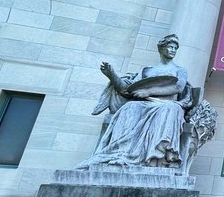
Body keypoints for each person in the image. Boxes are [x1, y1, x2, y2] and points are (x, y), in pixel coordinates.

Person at [77, 34, 195, 170]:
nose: (173, 50)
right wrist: (112, 75)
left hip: (167, 104)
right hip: (146, 103)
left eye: (175, 48)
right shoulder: (148, 70)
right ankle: (120, 152)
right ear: (161, 49)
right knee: (130, 107)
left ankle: (154, 156)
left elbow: (179, 87)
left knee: (169, 109)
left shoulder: (180, 70)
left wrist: (149, 91)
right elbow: (128, 89)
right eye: (170, 47)